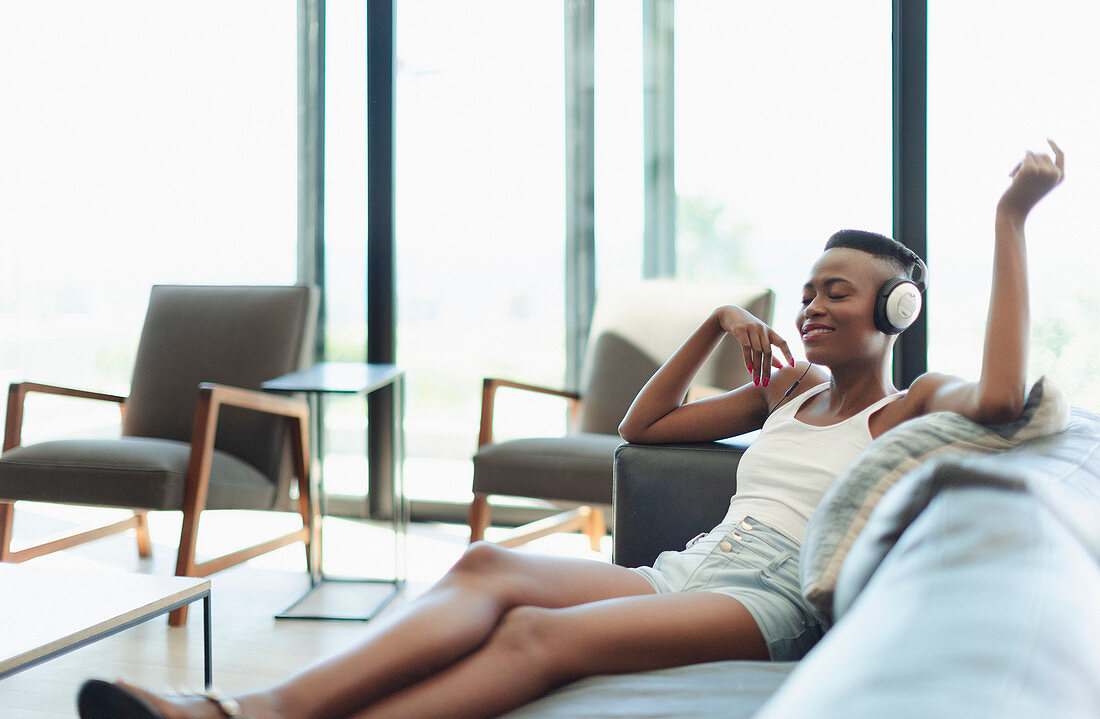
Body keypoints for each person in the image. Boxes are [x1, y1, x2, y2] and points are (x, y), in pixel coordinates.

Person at [77, 141, 1064, 719]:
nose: (808, 306)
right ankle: (236, 712)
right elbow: (646, 422)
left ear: (892, 314)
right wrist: (716, 321)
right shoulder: (787, 391)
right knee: (478, 567)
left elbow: (1003, 393)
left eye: (834, 293)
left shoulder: (916, 396)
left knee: (539, 634)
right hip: (688, 565)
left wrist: (1008, 219)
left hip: (768, 592)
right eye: (804, 289)